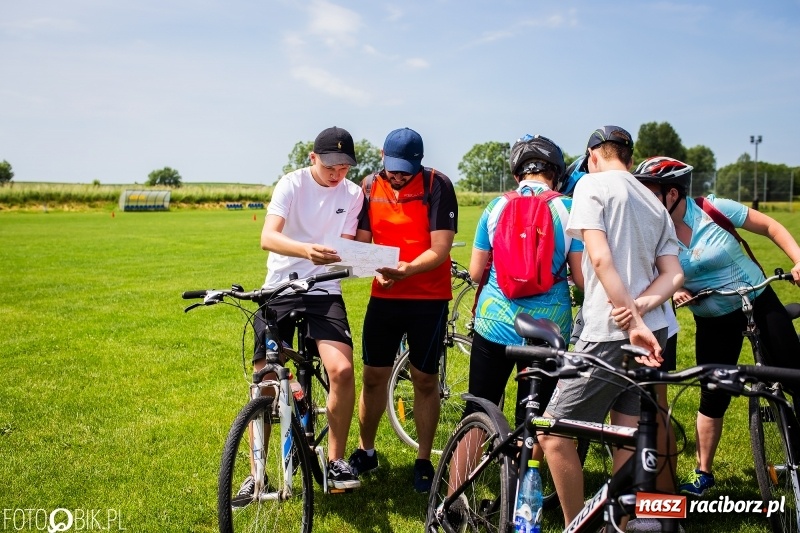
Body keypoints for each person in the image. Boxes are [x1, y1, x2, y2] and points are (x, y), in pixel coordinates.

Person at [538, 126, 684, 527]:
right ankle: (622, 521)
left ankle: (575, 524)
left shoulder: (591, 185)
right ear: (630, 159)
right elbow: (673, 275)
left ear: (592, 156)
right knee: (628, 435)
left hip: (609, 331)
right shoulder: (653, 201)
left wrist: (630, 318)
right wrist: (640, 308)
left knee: (553, 433)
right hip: (655, 331)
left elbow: (600, 259)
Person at [631, 156, 800, 497]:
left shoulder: (712, 208)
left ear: (673, 193)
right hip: (712, 319)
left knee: (795, 376)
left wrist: (798, 259)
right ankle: (704, 473)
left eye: (651, 192)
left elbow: (770, 226)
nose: (645, 200)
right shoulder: (652, 232)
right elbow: (657, 274)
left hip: (759, 300)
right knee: (713, 395)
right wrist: (676, 287)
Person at [253, 126, 364, 491]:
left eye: (344, 166)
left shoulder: (353, 194)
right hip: (281, 286)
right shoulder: (291, 184)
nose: (337, 173)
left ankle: (336, 462)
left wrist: (362, 259)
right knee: (266, 378)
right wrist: (306, 250)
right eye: (330, 165)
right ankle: (256, 475)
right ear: (313, 158)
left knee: (343, 370)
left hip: (324, 289)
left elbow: (344, 247)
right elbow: (267, 237)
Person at [348, 127, 458, 493]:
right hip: (383, 296)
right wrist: (364, 262)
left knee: (425, 381)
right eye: (393, 169)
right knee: (373, 376)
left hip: (428, 299)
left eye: (405, 171)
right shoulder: (368, 186)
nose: (397, 176)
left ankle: (424, 460)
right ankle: (366, 451)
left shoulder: (437, 185)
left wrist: (406, 270)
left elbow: (440, 248)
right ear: (382, 156)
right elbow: (363, 240)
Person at [462, 134, 584, 429]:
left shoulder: (495, 207)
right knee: (535, 420)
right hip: (548, 327)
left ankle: (456, 477)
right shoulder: (569, 210)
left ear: (518, 174)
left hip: (495, 321)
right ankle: (522, 472)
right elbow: (581, 279)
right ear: (556, 173)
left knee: (478, 408)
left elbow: (477, 272)